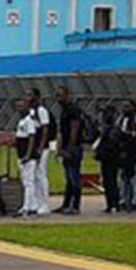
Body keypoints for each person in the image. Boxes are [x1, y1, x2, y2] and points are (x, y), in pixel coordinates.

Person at [55, 86, 85, 215]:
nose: (58, 98)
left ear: (68, 95)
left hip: (74, 147)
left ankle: (75, 205)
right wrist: (59, 148)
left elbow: (74, 129)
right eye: (56, 95)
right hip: (66, 146)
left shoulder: (73, 110)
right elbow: (62, 132)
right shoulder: (64, 111)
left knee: (74, 176)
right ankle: (66, 203)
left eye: (60, 95)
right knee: (68, 177)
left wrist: (70, 147)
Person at [13, 99, 41, 218]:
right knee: (26, 181)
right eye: (17, 106)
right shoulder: (21, 121)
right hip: (21, 154)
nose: (19, 109)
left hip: (27, 155)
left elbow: (31, 138)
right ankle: (33, 206)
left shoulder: (29, 121)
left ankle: (26, 207)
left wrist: (28, 155)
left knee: (28, 182)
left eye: (22, 106)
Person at [28, 88, 53, 215]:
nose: (27, 98)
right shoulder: (31, 112)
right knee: (34, 176)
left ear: (37, 97)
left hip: (41, 147)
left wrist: (41, 147)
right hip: (34, 147)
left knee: (41, 174)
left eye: (30, 95)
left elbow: (45, 130)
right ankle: (36, 202)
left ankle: (44, 203)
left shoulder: (42, 111)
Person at [94, 104, 123, 213]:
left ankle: (114, 203)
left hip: (110, 158)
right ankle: (111, 203)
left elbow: (111, 145)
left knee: (110, 181)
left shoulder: (112, 130)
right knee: (109, 181)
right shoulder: (109, 129)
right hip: (108, 158)